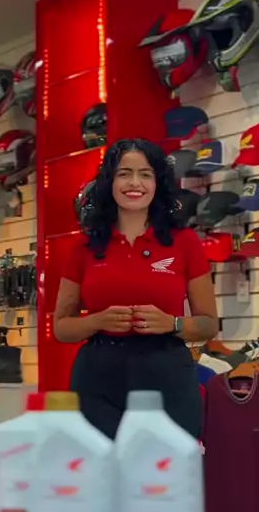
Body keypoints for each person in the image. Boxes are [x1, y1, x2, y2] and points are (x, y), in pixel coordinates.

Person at [53, 138, 218, 440]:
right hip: (98, 380)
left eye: (145, 174)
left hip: (167, 373)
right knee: (101, 467)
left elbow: (208, 324)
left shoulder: (184, 242)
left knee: (166, 468)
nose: (134, 183)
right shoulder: (85, 245)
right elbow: (62, 327)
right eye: (124, 173)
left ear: (158, 182)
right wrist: (97, 321)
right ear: (110, 181)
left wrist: (172, 324)